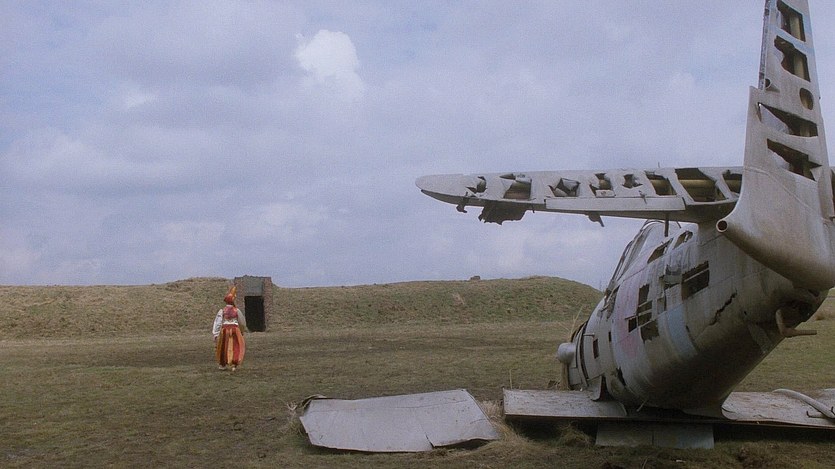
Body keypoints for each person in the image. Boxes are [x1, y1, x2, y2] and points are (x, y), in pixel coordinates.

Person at [213, 286, 247, 371]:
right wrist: (242, 331)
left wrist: (215, 333)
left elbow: (218, 322)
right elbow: (242, 322)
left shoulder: (222, 311)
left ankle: (222, 364)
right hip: (235, 329)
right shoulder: (237, 310)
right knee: (236, 345)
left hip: (225, 330)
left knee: (223, 346)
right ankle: (234, 364)